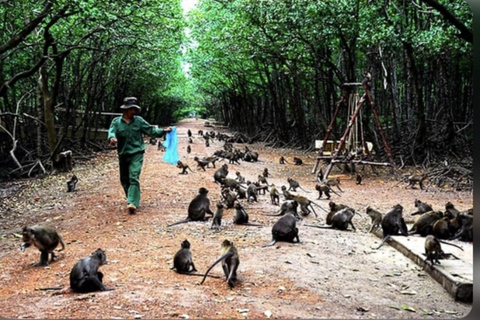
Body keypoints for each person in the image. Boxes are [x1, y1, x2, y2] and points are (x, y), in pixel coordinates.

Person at [108, 97, 171, 214]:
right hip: (123, 154)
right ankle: (131, 197)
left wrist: (163, 131)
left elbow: (151, 131)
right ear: (127, 109)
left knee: (133, 176)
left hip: (136, 153)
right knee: (124, 179)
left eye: (135, 109)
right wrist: (112, 138)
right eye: (132, 109)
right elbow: (111, 131)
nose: (135, 111)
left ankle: (132, 202)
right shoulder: (116, 122)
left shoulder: (139, 121)